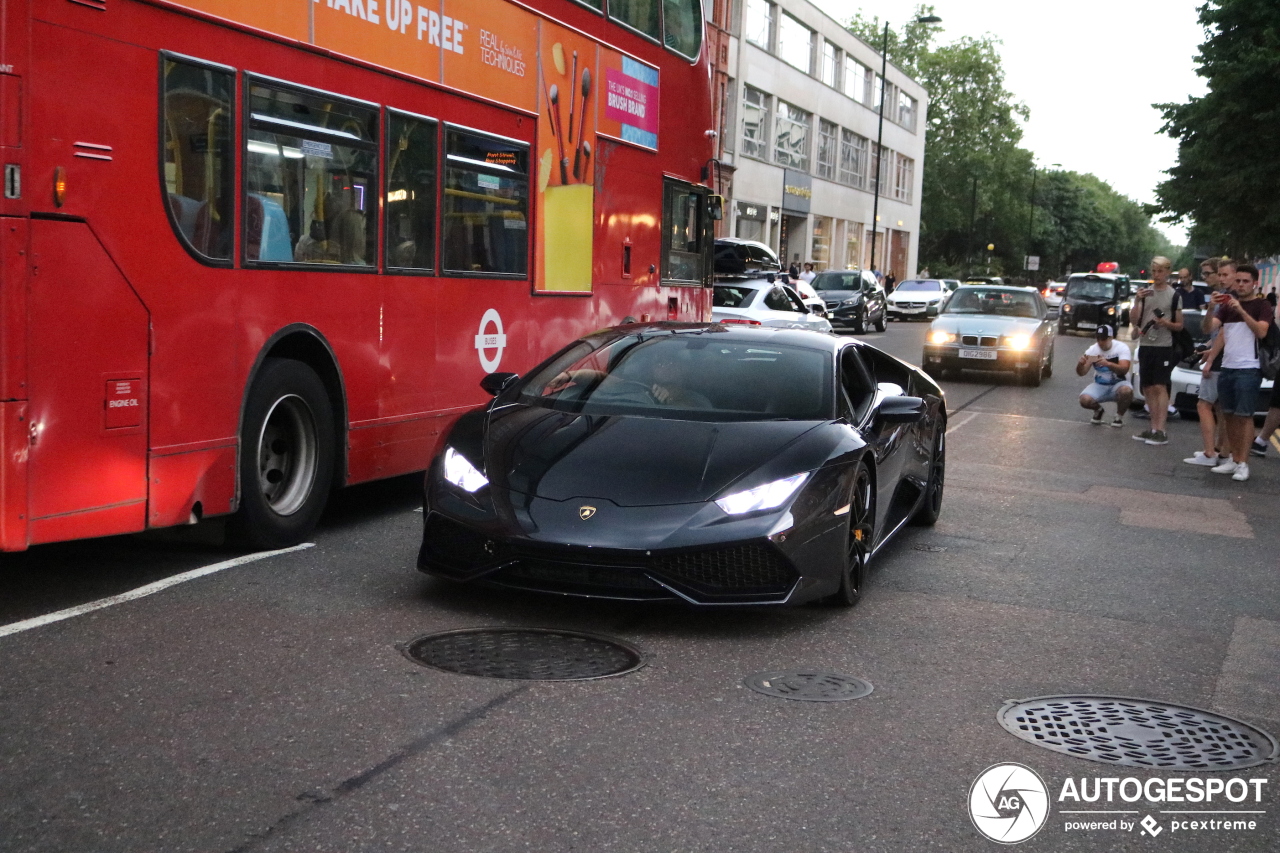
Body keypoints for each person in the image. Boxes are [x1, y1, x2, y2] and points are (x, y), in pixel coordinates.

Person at [1198, 263, 1271, 481]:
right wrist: (1211, 308)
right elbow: (1208, 328)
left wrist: (1241, 311)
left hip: (1249, 368)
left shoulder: (1262, 305)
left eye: (1245, 281)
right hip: (1228, 366)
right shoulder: (1227, 306)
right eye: (1237, 281)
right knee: (1228, 415)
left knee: (1244, 416)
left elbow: (1261, 332)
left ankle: (1243, 463)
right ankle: (1231, 459)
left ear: (1254, 283)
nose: (1240, 285)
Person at [1129, 256, 1184, 445]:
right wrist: (1137, 300)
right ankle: (1152, 428)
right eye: (1154, 271)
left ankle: (1161, 430)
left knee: (1160, 386)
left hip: (1163, 345)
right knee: (1147, 387)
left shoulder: (1174, 296)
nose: (1156, 275)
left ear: (1168, 272)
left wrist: (1164, 323)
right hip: (1146, 344)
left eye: (1160, 271)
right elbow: (1134, 320)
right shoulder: (1146, 293)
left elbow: (1179, 325)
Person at [1076, 325, 1132, 427]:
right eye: (1098, 339)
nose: (1100, 342)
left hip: (1119, 383)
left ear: (1111, 338)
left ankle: (1118, 416)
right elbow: (1082, 373)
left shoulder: (1121, 348)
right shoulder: (1093, 350)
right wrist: (1080, 364)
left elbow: (1124, 369)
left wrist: (1108, 364)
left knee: (1126, 391)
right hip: (1100, 384)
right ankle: (1098, 410)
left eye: (1103, 339)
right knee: (1084, 399)